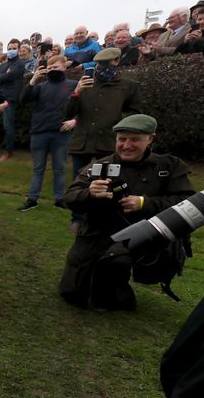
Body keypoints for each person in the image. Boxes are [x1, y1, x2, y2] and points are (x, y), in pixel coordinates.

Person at [59, 114, 193, 311]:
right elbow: (70, 198)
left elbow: (187, 202)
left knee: (112, 267)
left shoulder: (169, 166)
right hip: (99, 232)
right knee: (72, 292)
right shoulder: (100, 166)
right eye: (122, 139)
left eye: (135, 139)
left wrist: (144, 203)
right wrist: (90, 193)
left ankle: (119, 293)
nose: (126, 145)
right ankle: (105, 285)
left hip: (146, 234)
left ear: (150, 139)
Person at [63, 47, 142, 233]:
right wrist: (76, 92)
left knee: (109, 183)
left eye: (106, 63)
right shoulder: (84, 83)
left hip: (108, 142)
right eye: (99, 63)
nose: (102, 67)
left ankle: (103, 219)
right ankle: (78, 219)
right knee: (80, 183)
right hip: (82, 142)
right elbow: (67, 113)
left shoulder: (128, 85)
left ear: (116, 62)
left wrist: (117, 121)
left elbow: (135, 112)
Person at [17, 55, 76, 211]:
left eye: (56, 67)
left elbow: (82, 107)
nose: (52, 70)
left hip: (61, 133)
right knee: (38, 168)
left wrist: (74, 121)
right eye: (49, 68)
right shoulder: (40, 86)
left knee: (59, 168)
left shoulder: (73, 85)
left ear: (64, 67)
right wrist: (33, 80)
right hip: (39, 132)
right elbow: (23, 99)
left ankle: (59, 199)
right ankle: (32, 199)